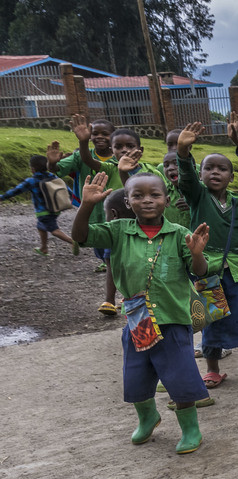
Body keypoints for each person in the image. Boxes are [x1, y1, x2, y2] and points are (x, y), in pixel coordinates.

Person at [71, 170, 211, 454]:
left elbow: (201, 272)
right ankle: (148, 417)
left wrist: (197, 253)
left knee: (180, 377)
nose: (147, 200)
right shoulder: (118, 230)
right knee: (136, 375)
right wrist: (86, 205)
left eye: (154, 194)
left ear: (166, 199)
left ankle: (190, 428)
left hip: (173, 319)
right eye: (138, 195)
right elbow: (81, 237)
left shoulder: (180, 234)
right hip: (138, 321)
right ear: (128, 200)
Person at [174, 122, 238, 386]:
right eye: (209, 168)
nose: (215, 172)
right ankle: (212, 369)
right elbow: (185, 176)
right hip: (209, 271)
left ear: (231, 177)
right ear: (201, 173)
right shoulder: (197, 196)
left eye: (222, 169)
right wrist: (183, 150)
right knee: (213, 320)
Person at [56, 115, 160, 315]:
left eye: (129, 146)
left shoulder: (150, 171)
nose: (124, 151)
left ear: (140, 149)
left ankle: (133, 294)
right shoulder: (109, 167)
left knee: (140, 261)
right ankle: (110, 300)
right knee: (113, 260)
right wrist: (83, 141)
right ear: (112, 150)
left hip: (144, 225)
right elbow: (87, 159)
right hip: (116, 225)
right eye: (118, 147)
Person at [3, 154, 76, 255]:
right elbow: (67, 190)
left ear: (32, 169)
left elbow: (15, 191)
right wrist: (75, 199)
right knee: (41, 226)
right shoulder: (54, 177)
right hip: (56, 208)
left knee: (54, 230)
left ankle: (73, 242)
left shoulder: (31, 181)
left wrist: (2, 197)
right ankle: (44, 248)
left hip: (43, 212)